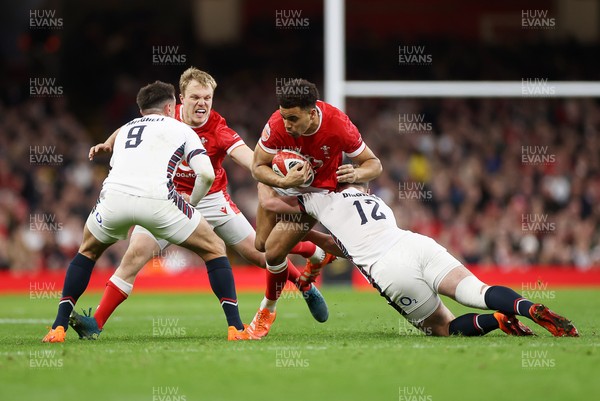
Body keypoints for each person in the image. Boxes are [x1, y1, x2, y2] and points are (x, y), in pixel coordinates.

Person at [68, 68, 332, 342]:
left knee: (259, 252)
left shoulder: (218, 129)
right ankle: (95, 324)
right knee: (135, 255)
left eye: (208, 97)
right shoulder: (166, 116)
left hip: (211, 198)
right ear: (181, 98)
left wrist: (282, 176)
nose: (202, 103)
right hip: (166, 199)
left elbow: (251, 161)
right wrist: (108, 143)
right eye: (195, 97)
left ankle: (304, 283)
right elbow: (130, 128)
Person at [42, 80, 255, 342]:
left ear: (141, 110)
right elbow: (206, 174)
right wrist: (191, 204)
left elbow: (119, 143)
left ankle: (58, 328)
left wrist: (106, 144)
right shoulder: (181, 128)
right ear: (170, 107)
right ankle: (236, 328)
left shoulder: (127, 127)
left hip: (114, 198)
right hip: (158, 200)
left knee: (86, 251)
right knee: (214, 248)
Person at [259, 181, 579, 337]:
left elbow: (270, 208)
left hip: (389, 269)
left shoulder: (311, 201)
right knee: (476, 290)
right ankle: (527, 307)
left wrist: (263, 174)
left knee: (445, 328)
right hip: (413, 242)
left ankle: (497, 320)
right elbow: (350, 241)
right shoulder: (361, 189)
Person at [246, 79, 383, 338]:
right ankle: (317, 253)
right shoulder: (277, 123)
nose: (287, 124)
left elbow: (374, 164)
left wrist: (355, 172)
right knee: (261, 245)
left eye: (293, 119)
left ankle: (267, 311)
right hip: (281, 182)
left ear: (312, 113)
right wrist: (282, 181)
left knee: (274, 253)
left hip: (315, 193)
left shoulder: (338, 125)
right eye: (284, 116)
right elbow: (257, 166)